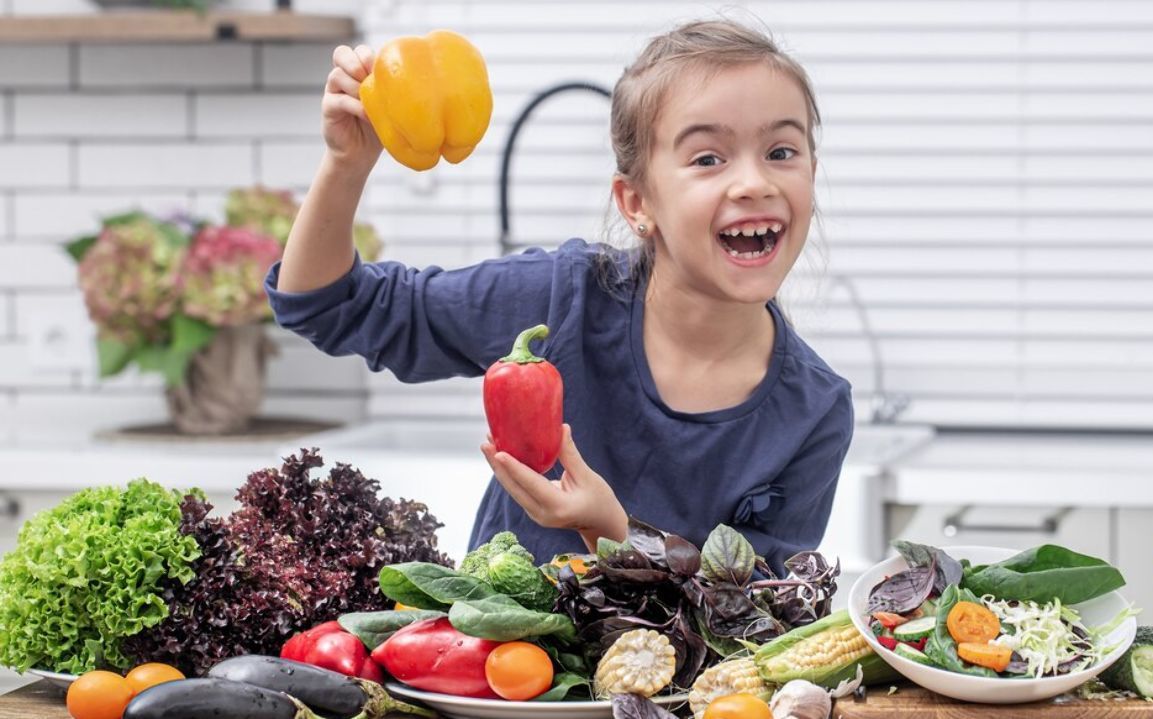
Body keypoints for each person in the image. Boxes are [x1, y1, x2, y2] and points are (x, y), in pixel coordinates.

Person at [265, 19, 853, 578]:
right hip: (492, 679)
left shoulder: (815, 411)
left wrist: (611, 531)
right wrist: (347, 163)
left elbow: (759, 621)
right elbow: (326, 304)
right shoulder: (561, 299)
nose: (755, 182)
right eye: (707, 158)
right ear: (636, 203)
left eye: (782, 151)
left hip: (682, 687)